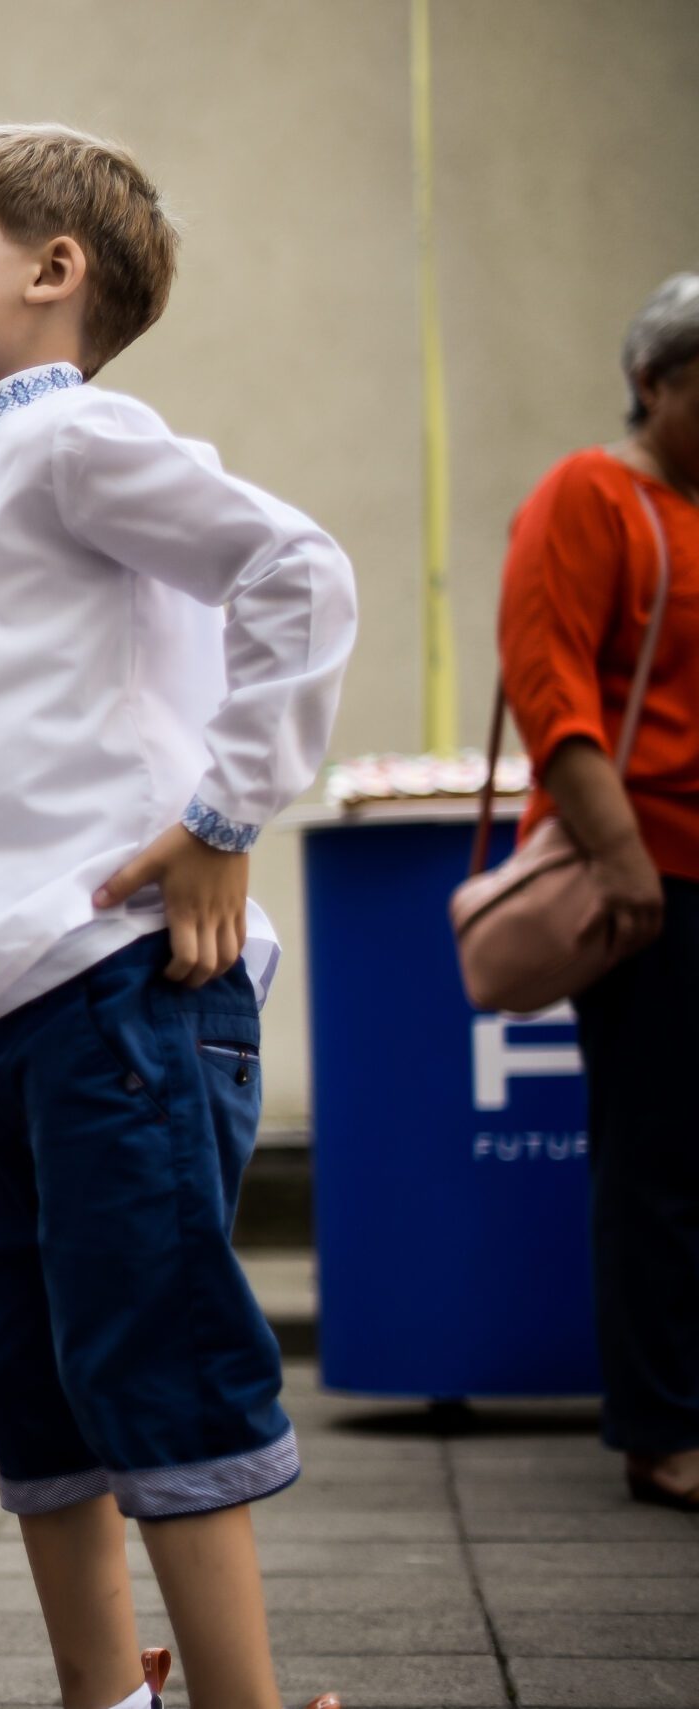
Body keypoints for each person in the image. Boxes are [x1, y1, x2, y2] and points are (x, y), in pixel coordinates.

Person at [0, 126, 357, 1709]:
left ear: (57, 274)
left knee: (155, 1353)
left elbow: (297, 573)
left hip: (117, 987)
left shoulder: (71, 440)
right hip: (8, 1011)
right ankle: (99, 1694)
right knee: (38, 1389)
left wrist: (219, 817)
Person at [496, 271, 699, 1513]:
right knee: (660, 1156)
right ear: (653, 382)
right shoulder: (592, 494)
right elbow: (548, 678)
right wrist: (621, 855)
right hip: (649, 873)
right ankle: (663, 1426)